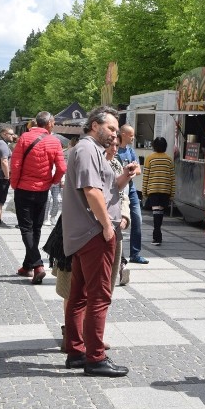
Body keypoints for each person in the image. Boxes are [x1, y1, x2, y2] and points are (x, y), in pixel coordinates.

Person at [63, 105, 138, 377]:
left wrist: (125, 176)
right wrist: (107, 225)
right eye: (111, 129)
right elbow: (92, 192)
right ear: (95, 125)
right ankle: (95, 358)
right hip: (93, 232)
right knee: (99, 296)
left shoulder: (92, 150)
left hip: (88, 232)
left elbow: (104, 189)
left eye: (116, 131)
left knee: (80, 295)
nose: (114, 135)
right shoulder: (86, 149)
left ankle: (76, 351)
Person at [9, 111, 66, 285]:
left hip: (24, 189)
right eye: (53, 122)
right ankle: (28, 265)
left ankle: (37, 264)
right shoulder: (54, 142)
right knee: (36, 227)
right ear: (48, 124)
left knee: (26, 228)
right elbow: (62, 168)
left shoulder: (25, 138)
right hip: (43, 190)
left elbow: (16, 164)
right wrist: (52, 182)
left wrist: (15, 184)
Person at [117, 125, 146, 263]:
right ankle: (119, 254)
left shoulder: (130, 150)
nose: (133, 137)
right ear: (123, 134)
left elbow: (139, 170)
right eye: (131, 135)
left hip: (132, 189)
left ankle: (135, 254)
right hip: (119, 190)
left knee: (137, 219)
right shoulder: (115, 150)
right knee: (119, 222)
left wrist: (133, 171)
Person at [105, 137, 132, 289]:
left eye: (116, 145)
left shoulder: (116, 163)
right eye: (110, 145)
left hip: (115, 219)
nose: (114, 149)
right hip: (97, 222)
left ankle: (121, 265)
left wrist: (124, 216)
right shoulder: (94, 162)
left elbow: (123, 194)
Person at [140, 136, 175, 247]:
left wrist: (144, 191)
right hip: (165, 191)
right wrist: (172, 193)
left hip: (153, 190)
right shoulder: (169, 159)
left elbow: (146, 176)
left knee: (156, 213)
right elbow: (172, 177)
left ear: (154, 146)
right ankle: (157, 234)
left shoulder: (149, 158)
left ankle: (157, 236)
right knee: (160, 213)